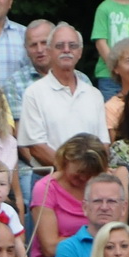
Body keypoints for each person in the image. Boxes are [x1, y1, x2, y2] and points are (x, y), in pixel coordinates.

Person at [18, 24, 107, 167]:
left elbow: (104, 144)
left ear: (80, 52)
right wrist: (71, 171)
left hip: (90, 179)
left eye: (72, 45)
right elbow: (36, 148)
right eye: (60, 46)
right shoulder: (34, 93)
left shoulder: (94, 94)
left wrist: (88, 171)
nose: (66, 50)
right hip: (51, 179)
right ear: (49, 51)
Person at [31, 135, 111, 257]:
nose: (84, 179)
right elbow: (50, 248)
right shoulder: (46, 188)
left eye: (90, 175)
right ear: (65, 161)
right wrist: (96, 239)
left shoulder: (105, 187)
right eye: (79, 173)